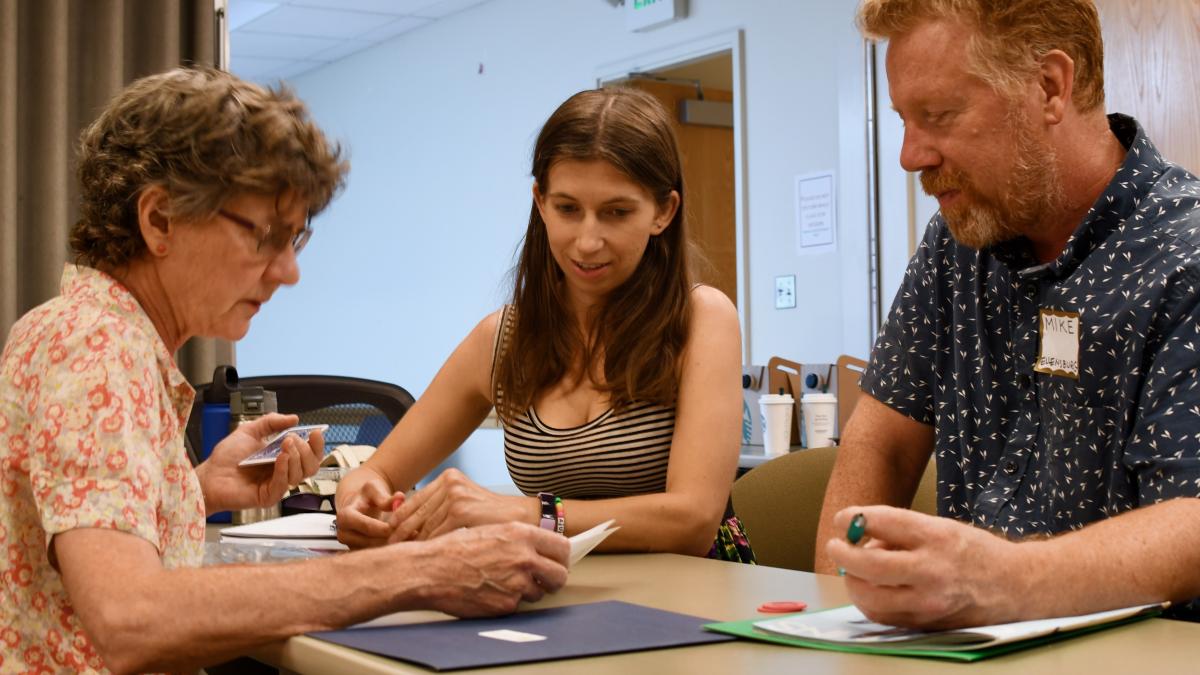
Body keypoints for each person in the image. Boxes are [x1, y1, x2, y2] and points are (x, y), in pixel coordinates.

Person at [0, 67, 568, 674]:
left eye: (296, 239)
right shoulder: (93, 346)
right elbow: (130, 616)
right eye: (266, 235)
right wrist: (424, 570)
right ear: (160, 220)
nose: (288, 272)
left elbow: (77, 539)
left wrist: (197, 489)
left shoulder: (93, 334)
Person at [815, 0, 1200, 629]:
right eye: (904, 121)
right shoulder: (955, 246)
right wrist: (838, 612)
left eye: (937, 116)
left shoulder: (1184, 257)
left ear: (1050, 87)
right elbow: (881, 439)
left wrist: (996, 580)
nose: (911, 156)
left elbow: (1192, 519)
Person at [335, 88, 750, 561]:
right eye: (568, 209)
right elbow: (377, 473)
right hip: (554, 597)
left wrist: (520, 513)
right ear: (540, 202)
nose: (588, 241)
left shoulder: (702, 319)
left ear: (663, 212)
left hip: (695, 602)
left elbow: (692, 521)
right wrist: (360, 496)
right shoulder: (501, 339)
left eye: (616, 212)